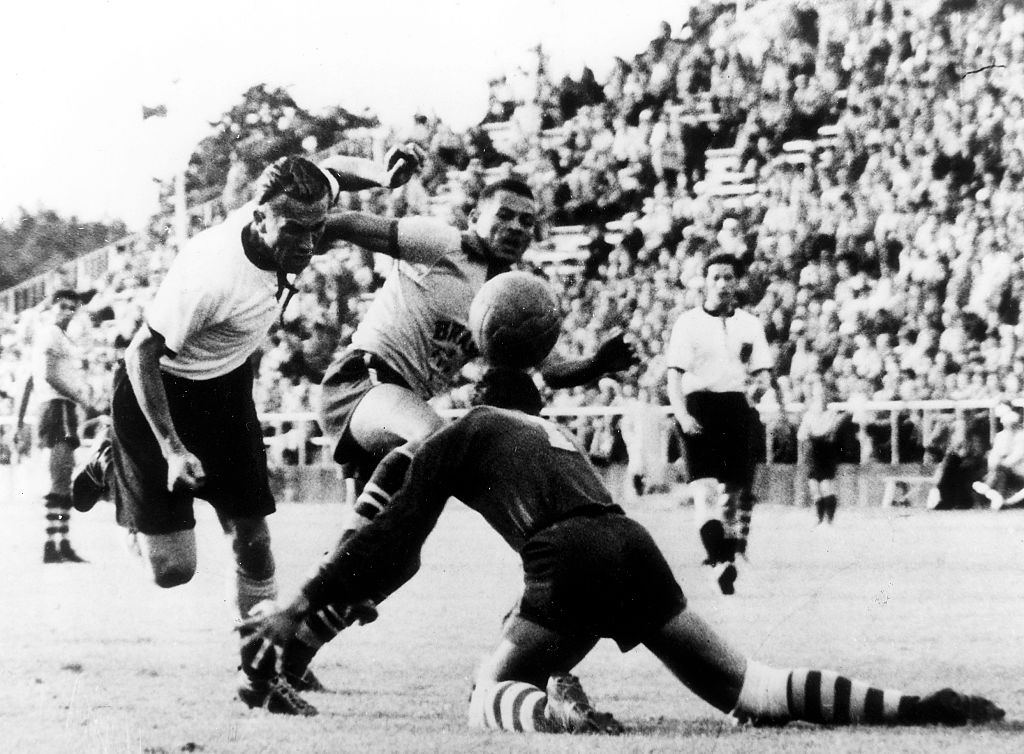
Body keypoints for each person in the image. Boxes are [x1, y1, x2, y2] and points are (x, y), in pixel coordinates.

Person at [240, 368, 1004, 734]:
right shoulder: (531, 426)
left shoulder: (455, 433)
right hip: (629, 541)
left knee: (485, 699)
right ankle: (918, 707)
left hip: (568, 553)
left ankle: (560, 716)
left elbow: (392, 537)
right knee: (752, 692)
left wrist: (301, 606)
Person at [70, 149, 423, 716]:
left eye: (316, 230)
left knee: (253, 540)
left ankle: (259, 676)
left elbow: (332, 170)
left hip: (226, 389)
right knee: (172, 572)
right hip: (156, 394)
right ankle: (112, 463)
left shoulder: (300, 209)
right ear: (258, 216)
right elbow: (142, 354)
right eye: (294, 231)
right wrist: (172, 449)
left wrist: (381, 176)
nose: (308, 245)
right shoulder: (212, 273)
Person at [314, 176, 637, 560]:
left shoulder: (509, 293)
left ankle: (328, 600)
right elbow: (347, 224)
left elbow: (551, 370)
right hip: (361, 379)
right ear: (473, 216)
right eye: (505, 215)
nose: (517, 227)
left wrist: (598, 364)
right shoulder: (440, 243)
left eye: (527, 221)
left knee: (399, 553)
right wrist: (291, 247)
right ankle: (340, 555)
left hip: (401, 405)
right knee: (433, 436)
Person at [665, 253, 772, 594]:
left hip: (736, 407)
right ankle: (720, 562)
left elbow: (762, 372)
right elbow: (674, 376)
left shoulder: (749, 325)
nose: (723, 284)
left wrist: (761, 386)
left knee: (732, 494)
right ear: (705, 282)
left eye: (729, 277)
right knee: (705, 491)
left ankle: (723, 560)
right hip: (698, 406)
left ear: (737, 282)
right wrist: (682, 414)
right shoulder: (688, 323)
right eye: (716, 278)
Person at [16, 288, 103, 563]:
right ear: (53, 306)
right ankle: (52, 544)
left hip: (59, 408)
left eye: (72, 308)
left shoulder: (59, 337)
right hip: (57, 408)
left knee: (63, 476)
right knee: (60, 476)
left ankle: (60, 542)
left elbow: (31, 381)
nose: (68, 312)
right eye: (63, 306)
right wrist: (81, 397)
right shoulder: (50, 333)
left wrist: (20, 420)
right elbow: (49, 375)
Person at [797, 378, 850, 525]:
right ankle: (819, 519)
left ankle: (830, 520)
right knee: (814, 487)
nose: (819, 399)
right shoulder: (808, 415)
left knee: (826, 486)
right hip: (813, 452)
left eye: (822, 395)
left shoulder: (831, 414)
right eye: (817, 396)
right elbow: (801, 435)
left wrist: (813, 433)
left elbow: (827, 433)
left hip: (826, 452)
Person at [973, 404, 1024, 510]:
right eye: (1007, 424)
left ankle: (988, 488)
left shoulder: (1021, 437)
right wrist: (993, 467)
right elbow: (995, 453)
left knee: (1000, 470)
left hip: (1020, 469)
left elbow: (1017, 456)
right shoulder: (1001, 436)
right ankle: (997, 497)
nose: (1009, 426)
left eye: (1012, 424)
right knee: (998, 471)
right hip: (1002, 469)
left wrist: (1002, 465)